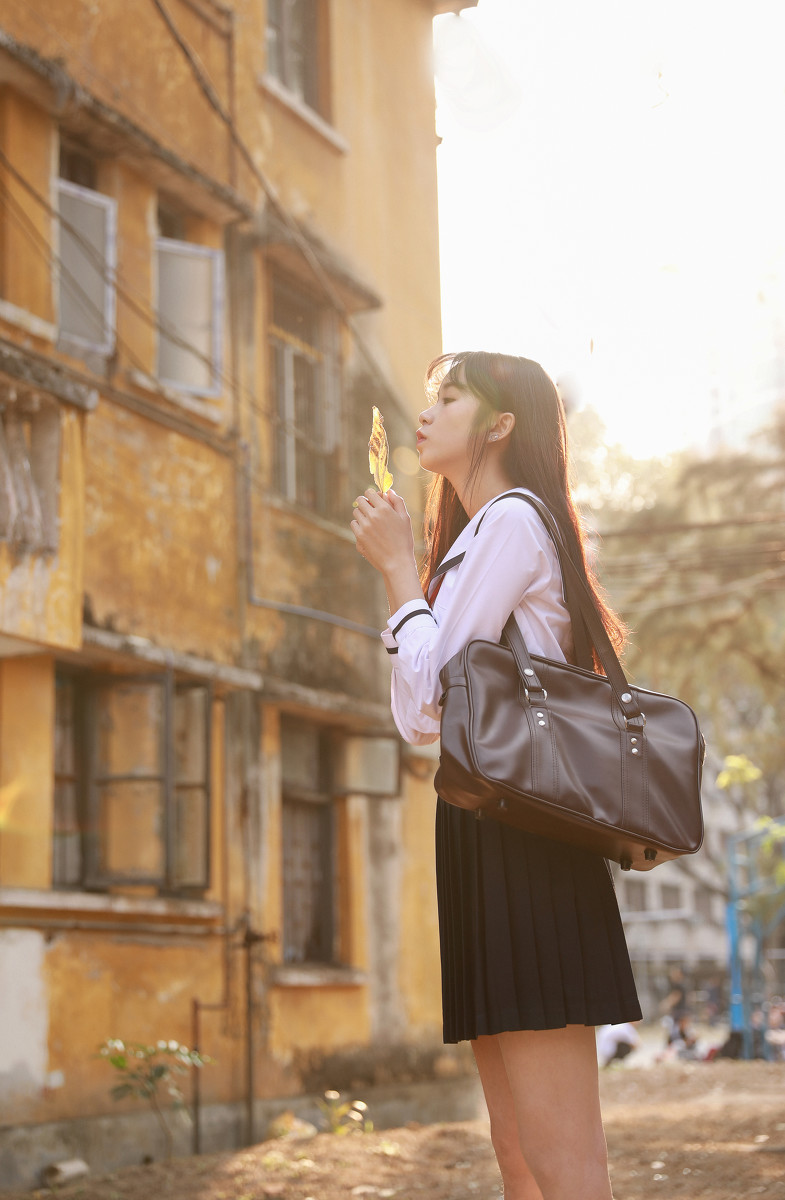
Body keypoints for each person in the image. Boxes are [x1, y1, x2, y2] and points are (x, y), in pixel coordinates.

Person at [350, 351, 642, 1200]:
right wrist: (411, 579)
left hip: (527, 832)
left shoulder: (514, 519)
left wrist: (399, 577)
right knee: (514, 1150)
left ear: (501, 422)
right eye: (429, 395)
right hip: (478, 827)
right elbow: (420, 721)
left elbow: (439, 690)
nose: (427, 409)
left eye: (450, 397)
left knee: (561, 1160)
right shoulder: (470, 541)